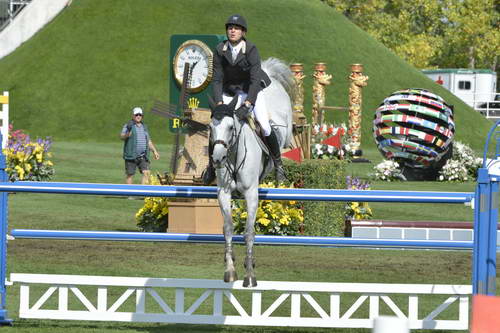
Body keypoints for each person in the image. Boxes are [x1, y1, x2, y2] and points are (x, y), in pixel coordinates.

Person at [202, 14, 285, 185]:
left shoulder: (251, 49)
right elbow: (216, 79)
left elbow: (255, 80)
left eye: (236, 28)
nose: (232, 30)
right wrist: (219, 103)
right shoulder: (220, 49)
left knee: (264, 124)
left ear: (243, 32)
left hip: (250, 90)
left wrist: (248, 104)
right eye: (230, 27)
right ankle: (211, 167)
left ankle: (278, 165)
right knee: (218, 124)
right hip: (229, 91)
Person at [120, 107, 160, 185]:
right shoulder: (128, 125)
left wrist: (155, 151)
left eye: (140, 115)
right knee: (130, 174)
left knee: (146, 173)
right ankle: (130, 195)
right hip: (131, 155)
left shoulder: (144, 127)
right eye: (136, 115)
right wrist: (127, 135)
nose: (138, 116)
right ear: (133, 116)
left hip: (143, 156)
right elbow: (121, 136)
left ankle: (142, 193)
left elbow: (148, 141)